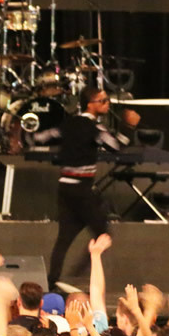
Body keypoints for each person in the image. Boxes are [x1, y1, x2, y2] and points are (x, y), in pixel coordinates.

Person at [44, 87, 140, 288]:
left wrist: (24, 137)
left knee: (64, 238)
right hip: (82, 190)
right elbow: (116, 146)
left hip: (65, 188)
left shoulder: (68, 124)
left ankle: (52, 281)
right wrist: (129, 126)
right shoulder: (94, 128)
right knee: (103, 233)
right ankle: (77, 275)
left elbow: (44, 136)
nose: (107, 104)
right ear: (90, 105)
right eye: (103, 101)